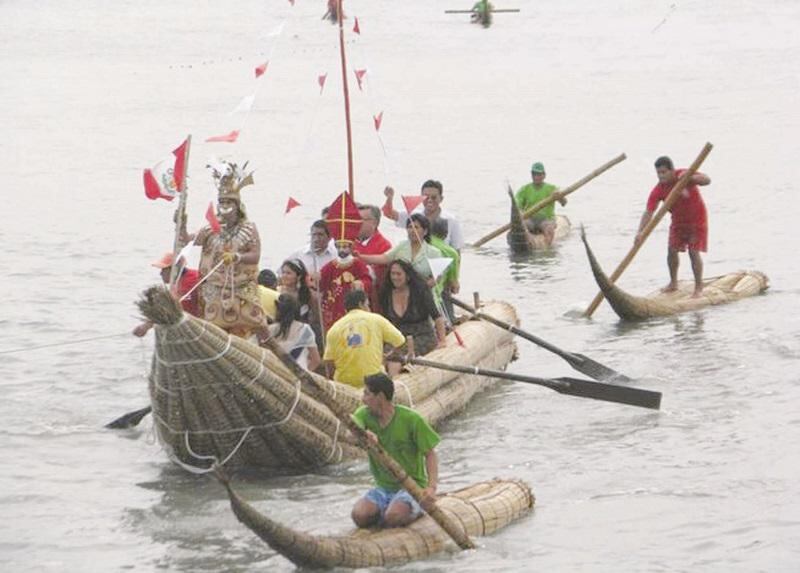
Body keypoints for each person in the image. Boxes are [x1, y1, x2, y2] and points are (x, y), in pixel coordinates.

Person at [182, 161, 266, 337]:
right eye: (222, 201)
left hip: (242, 287)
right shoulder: (211, 228)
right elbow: (187, 241)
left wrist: (237, 257)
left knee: (253, 327)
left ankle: (264, 351)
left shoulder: (249, 228)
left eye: (229, 201)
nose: (225, 204)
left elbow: (255, 255)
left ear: (237, 205)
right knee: (213, 331)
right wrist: (181, 225)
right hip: (215, 288)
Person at [351, 373, 440, 528]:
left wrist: (431, 488)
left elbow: (430, 454)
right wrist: (364, 433)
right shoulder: (364, 415)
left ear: (380, 397)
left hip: (412, 487)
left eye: (367, 394)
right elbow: (352, 426)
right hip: (384, 488)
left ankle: (416, 510)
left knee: (394, 516)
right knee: (359, 515)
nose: (363, 399)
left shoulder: (411, 419)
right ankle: (385, 513)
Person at [635, 156, 712, 297]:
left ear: (672, 170)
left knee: (693, 253)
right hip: (678, 222)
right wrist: (641, 232)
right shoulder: (658, 190)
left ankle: (698, 288)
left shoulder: (683, 174)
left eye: (664, 172)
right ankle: (673, 283)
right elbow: (649, 212)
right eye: (658, 173)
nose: (661, 176)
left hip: (697, 220)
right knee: (671, 251)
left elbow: (707, 180)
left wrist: (691, 178)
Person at [323, 290, 405, 388]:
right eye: (368, 305)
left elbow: (329, 362)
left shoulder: (334, 329)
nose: (369, 308)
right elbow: (400, 341)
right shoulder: (376, 319)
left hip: (345, 384)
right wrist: (387, 357)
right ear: (361, 304)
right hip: (375, 382)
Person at [379, 260, 446, 358]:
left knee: (397, 357)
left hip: (422, 336)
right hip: (399, 337)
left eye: (398, 274)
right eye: (392, 274)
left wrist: (442, 340)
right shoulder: (386, 293)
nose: (395, 277)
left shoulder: (420, 291)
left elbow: (436, 316)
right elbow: (386, 321)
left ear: (407, 276)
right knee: (386, 355)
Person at [356, 213, 443, 285]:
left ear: (425, 231)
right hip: (402, 292)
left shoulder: (434, 253)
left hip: (424, 295)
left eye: (416, 227)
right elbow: (384, 258)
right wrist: (359, 256)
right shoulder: (402, 246)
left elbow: (437, 278)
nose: (412, 230)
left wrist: (422, 288)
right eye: (409, 227)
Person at [382, 180, 465, 251]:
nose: (429, 200)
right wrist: (390, 198)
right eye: (426, 197)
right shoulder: (414, 216)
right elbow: (389, 213)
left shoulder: (451, 220)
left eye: (434, 197)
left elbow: (456, 250)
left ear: (441, 198)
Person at [133, 252, 200, 337]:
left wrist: (146, 326)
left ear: (173, 269)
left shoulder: (191, 281)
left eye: (163, 270)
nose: (160, 274)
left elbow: (172, 309)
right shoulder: (177, 282)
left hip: (196, 327)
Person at [319, 240, 373, 329]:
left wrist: (361, 283)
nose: (341, 250)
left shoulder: (358, 264)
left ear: (350, 248)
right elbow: (321, 281)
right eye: (339, 247)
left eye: (344, 247)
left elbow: (367, 280)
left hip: (354, 305)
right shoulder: (331, 266)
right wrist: (316, 278)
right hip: (335, 306)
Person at [514, 161, 567, 246]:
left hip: (545, 219)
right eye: (534, 174)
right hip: (530, 219)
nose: (536, 177)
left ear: (544, 175)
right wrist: (519, 214)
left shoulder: (552, 188)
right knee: (521, 227)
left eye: (539, 174)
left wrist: (559, 197)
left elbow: (564, 203)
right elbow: (518, 206)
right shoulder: (524, 190)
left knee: (549, 229)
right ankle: (529, 243)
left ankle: (546, 250)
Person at [267, 294, 321, 371]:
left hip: (278, 376)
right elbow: (316, 360)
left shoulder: (270, 330)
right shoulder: (305, 329)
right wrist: (305, 373)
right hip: (299, 376)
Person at [354, 204, 393, 310]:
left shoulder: (384, 246)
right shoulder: (349, 243)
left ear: (375, 223)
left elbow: (381, 277)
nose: (357, 223)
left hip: (374, 300)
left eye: (362, 220)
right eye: (356, 219)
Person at [429, 218, 460, 323]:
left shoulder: (421, 244)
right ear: (446, 234)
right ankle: (450, 321)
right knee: (446, 291)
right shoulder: (451, 252)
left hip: (418, 289)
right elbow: (454, 285)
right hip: (437, 293)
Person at [277, 258, 320, 331]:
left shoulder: (308, 294)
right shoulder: (277, 292)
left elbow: (316, 318)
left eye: (288, 273)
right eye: (283, 272)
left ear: (299, 276)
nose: (284, 276)